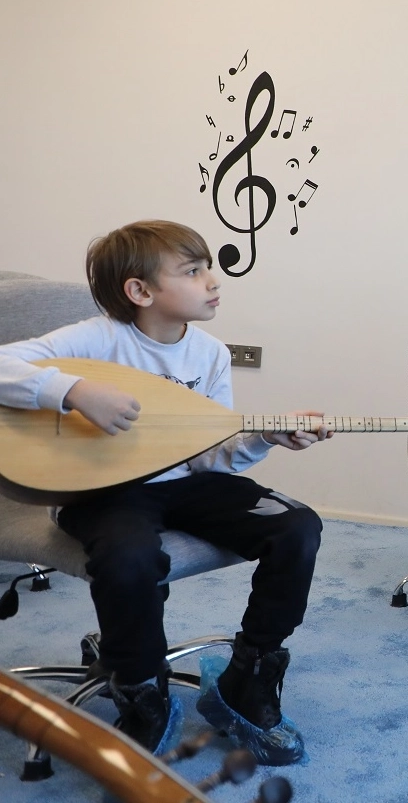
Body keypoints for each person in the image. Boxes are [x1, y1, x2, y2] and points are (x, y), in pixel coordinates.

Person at [0, 221, 330, 763]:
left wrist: (263, 438)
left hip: (188, 484)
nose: (213, 281)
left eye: (209, 268)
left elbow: (207, 454)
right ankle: (141, 690)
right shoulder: (96, 339)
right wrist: (74, 390)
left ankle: (250, 672)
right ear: (140, 290)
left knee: (297, 526)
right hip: (102, 490)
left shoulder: (211, 354)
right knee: (129, 555)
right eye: (193, 271)